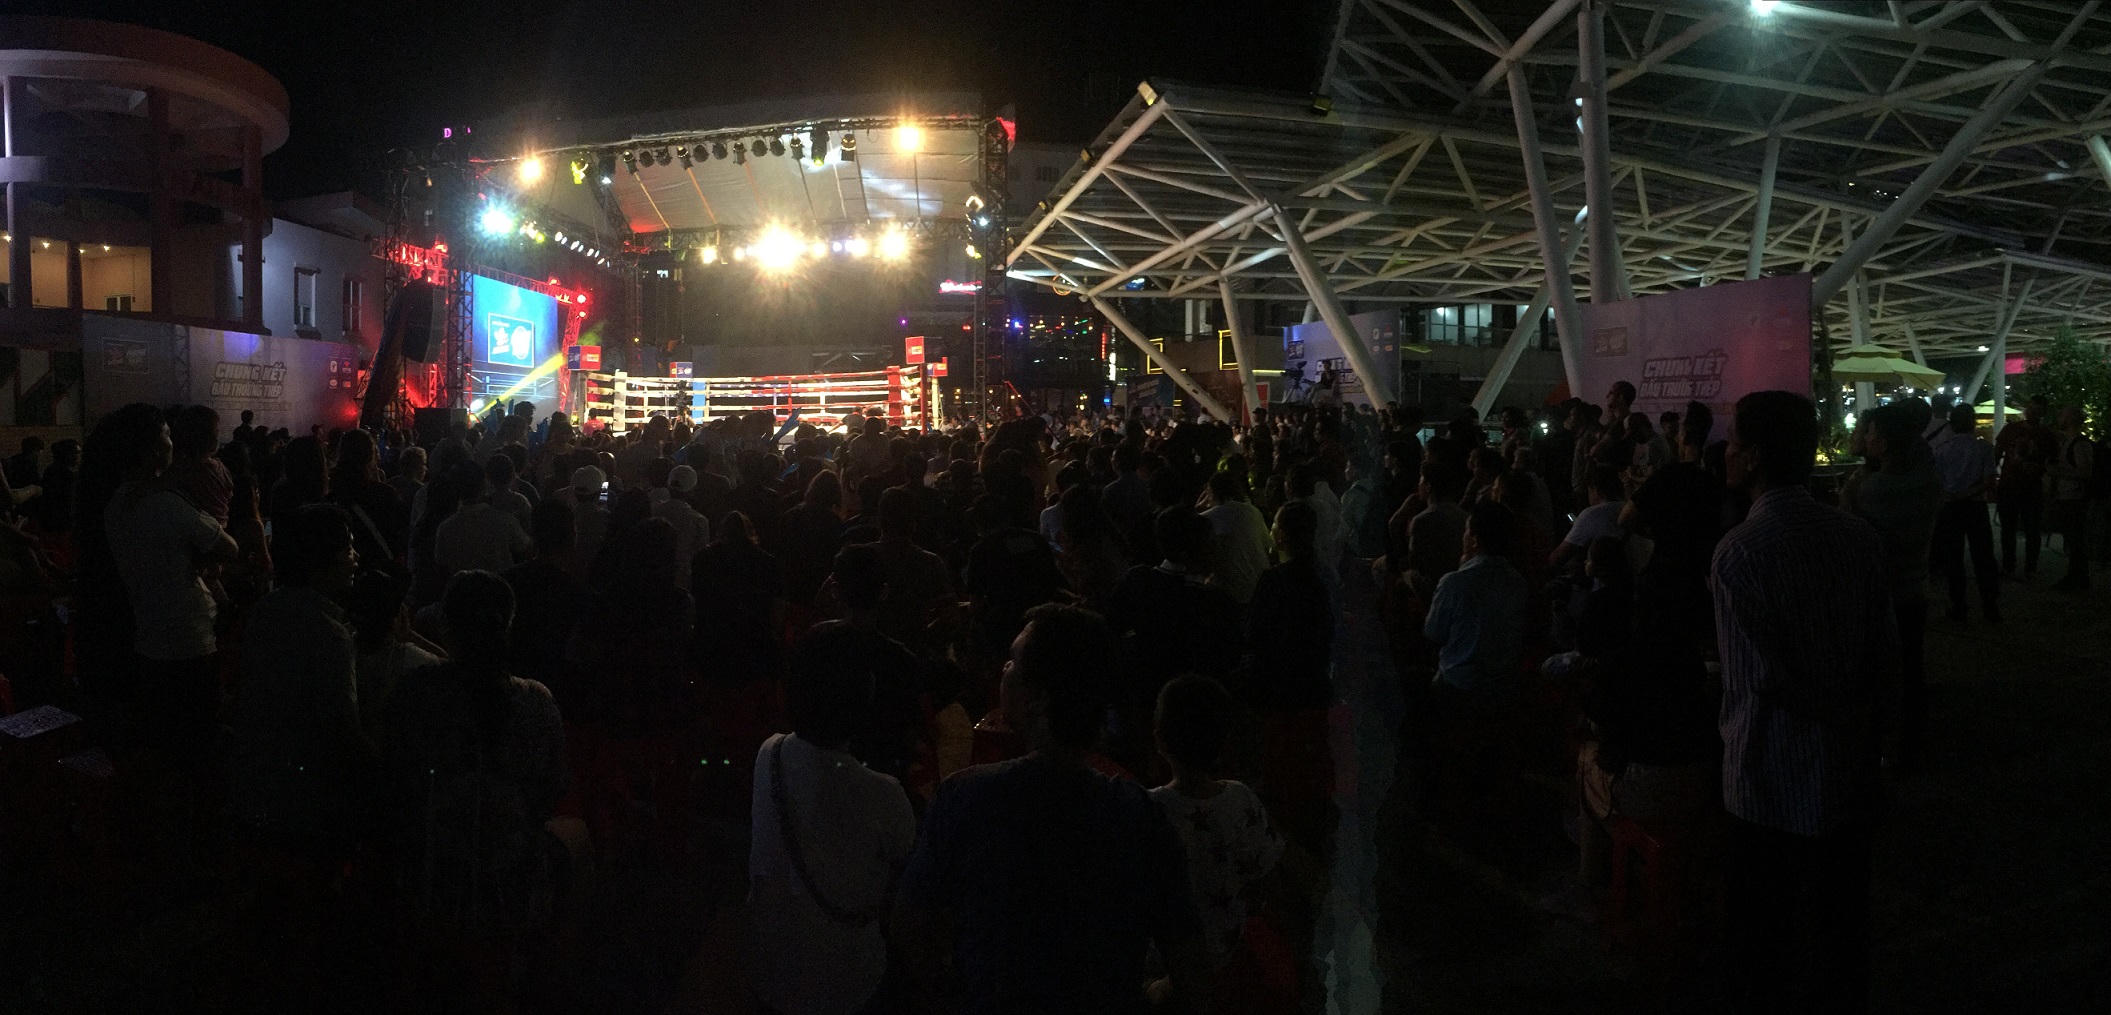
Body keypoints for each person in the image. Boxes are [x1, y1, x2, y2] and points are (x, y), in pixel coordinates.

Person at [898, 604, 1208, 1014]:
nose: (1004, 668)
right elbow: (1189, 965)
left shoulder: (965, 798)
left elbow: (912, 925)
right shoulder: (1139, 814)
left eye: (1014, 661)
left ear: (1039, 698)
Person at [1711, 390, 1893, 1013]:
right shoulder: (1857, 537)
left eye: (1735, 441)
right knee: (1839, 931)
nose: (1726, 452)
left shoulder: (1740, 551)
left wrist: (1824, 710)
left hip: (1767, 776)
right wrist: (1860, 729)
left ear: (1755, 456)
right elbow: (1883, 654)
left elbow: (1760, 678)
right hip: (1846, 773)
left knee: (1762, 940)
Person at [378, 570, 568, 935]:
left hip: (430, 883)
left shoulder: (415, 694)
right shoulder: (536, 702)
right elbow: (552, 788)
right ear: (507, 626)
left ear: (446, 626)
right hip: (512, 887)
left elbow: (394, 778)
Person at [747, 622, 919, 1015]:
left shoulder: (769, 753)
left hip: (768, 970)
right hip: (849, 983)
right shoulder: (886, 795)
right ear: (865, 699)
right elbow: (906, 870)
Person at [228, 505, 370, 854]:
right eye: (348, 549)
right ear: (322, 561)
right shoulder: (329, 634)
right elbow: (342, 729)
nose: (355, 558)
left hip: (256, 788)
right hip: (305, 804)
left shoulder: (265, 611)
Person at [1149, 676, 1285, 972]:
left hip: (1167, 963)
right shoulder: (1242, 799)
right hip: (1230, 954)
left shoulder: (1148, 809)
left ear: (1160, 739)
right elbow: (1267, 878)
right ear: (1224, 741)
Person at [1840, 404, 1942, 769]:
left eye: (1870, 433)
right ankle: (1913, 742)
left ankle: (1879, 748)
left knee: (1875, 673)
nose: (1865, 438)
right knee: (1912, 668)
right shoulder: (1927, 481)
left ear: (1882, 443)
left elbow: (1848, 530)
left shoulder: (1870, 488)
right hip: (1914, 590)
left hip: (1878, 594)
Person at [1424, 501, 1529, 709]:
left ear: (1473, 539)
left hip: (1460, 685)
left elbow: (1434, 633)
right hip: (1503, 686)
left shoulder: (1455, 582)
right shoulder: (1518, 582)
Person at [1928, 402, 2000, 622]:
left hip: (1950, 508)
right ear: (1972, 423)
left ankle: (1959, 606)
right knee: (1983, 557)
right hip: (1976, 507)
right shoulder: (1984, 448)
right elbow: (1989, 481)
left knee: (1953, 559)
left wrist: (1953, 495)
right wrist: (1969, 493)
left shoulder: (1942, 450)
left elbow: (1937, 483)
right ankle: (1990, 606)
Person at [1992, 395, 2054, 578]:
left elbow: (2052, 461)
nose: (2032, 413)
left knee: (2030, 529)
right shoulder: (2013, 429)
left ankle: (2026, 567)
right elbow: (1996, 454)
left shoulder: (2044, 434)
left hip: (2028, 487)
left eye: (2036, 410)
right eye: (2031, 408)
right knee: (2012, 529)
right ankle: (2013, 566)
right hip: (2013, 486)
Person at [1199, 470, 1271, 604]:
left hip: (1233, 594)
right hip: (1262, 588)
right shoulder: (1253, 511)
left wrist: (1197, 510)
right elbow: (1267, 546)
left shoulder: (1206, 519)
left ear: (1211, 493)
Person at [2046, 406, 2094, 591]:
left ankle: (2077, 579)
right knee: (2073, 540)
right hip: (2070, 497)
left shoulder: (2079, 444)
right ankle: (2076, 577)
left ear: (2070, 420)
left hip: (2075, 499)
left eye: (2062, 415)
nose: (2059, 418)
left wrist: (2058, 472)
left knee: (2075, 541)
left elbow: (2085, 472)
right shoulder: (2070, 442)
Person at [652, 465, 711, 589]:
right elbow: (702, 557)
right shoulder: (698, 521)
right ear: (692, 490)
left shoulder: (653, 510)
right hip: (684, 580)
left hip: (653, 576)